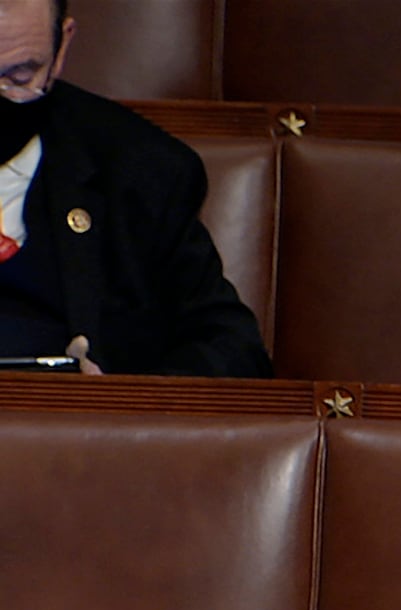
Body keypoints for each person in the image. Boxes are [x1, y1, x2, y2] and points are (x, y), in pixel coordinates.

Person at [0, 0, 270, 376]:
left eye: (17, 77)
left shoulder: (139, 170)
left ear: (61, 49)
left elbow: (232, 351)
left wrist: (121, 401)